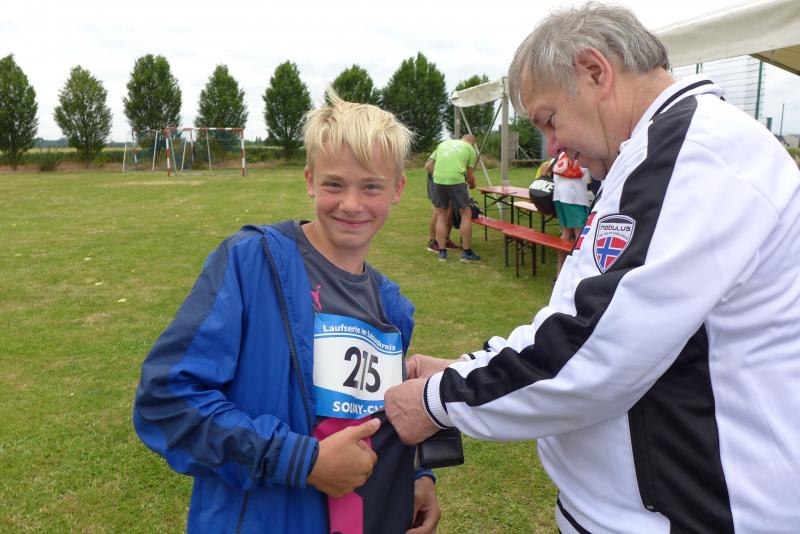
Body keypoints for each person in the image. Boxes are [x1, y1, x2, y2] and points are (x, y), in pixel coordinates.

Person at [385, 3, 800, 533]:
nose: (552, 145)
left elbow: (597, 350)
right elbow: (584, 316)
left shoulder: (693, 151)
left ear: (594, 72)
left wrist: (437, 400)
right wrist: (464, 369)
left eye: (549, 120)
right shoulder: (650, 153)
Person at [133, 90, 440, 534]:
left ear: (397, 189)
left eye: (371, 186)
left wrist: (416, 474)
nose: (351, 204)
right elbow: (166, 400)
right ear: (310, 180)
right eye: (334, 184)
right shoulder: (251, 263)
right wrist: (301, 461)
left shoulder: (392, 306)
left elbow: (381, 415)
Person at [427, 134, 481, 262]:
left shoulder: (444, 143)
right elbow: (469, 175)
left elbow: (428, 165)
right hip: (456, 179)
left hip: (438, 179)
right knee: (466, 213)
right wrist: (472, 184)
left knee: (441, 214)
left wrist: (440, 175)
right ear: (473, 143)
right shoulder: (470, 149)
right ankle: (467, 253)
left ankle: (442, 253)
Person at [551, 151, 592, 274]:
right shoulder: (584, 151)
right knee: (580, 237)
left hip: (559, 196)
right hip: (575, 197)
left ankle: (560, 272)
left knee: (565, 234)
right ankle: (577, 272)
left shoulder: (563, 153)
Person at [424, 170, 460, 253]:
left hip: (450, 179)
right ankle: (432, 242)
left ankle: (445, 239)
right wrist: (440, 175)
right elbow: (428, 166)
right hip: (438, 180)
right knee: (439, 210)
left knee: (450, 209)